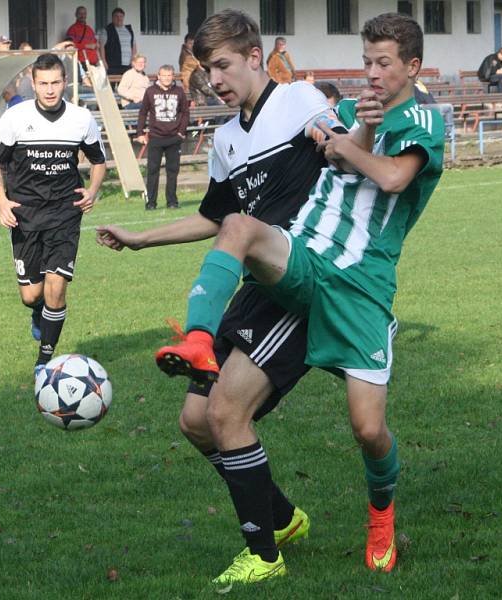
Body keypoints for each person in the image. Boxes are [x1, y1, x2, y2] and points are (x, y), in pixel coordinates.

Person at [153, 10, 443, 584]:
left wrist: (341, 141)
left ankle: (381, 515)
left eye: (384, 63)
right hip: (308, 258)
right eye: (366, 62)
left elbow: (389, 178)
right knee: (237, 226)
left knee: (368, 430)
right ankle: (197, 340)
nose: (373, 73)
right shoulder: (347, 110)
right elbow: (337, 150)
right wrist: (346, 133)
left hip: (363, 283)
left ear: (411, 66)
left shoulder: (427, 119)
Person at [96, 9, 370, 587]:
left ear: (253, 58)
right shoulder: (225, 138)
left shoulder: (298, 100)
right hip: (256, 283)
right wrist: (141, 237)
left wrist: (334, 133)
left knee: (226, 412)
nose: (215, 79)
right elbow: (214, 218)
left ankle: (263, 556)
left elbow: (338, 128)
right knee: (197, 421)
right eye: (207, 69)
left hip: (303, 280)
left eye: (224, 65)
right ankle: (282, 517)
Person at [0, 53, 107, 377]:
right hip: (25, 215)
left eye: (55, 82)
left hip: (65, 214)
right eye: (43, 83)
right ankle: (37, 311)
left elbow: (99, 161)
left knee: (56, 286)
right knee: (31, 295)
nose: (50, 90)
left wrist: (92, 191)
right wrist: (2, 201)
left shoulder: (81, 118)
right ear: (34, 83)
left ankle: (45, 359)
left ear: (64, 82)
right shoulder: (15, 117)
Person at [136, 64, 189, 210]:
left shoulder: (179, 91)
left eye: (169, 75)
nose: (166, 78)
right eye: (163, 75)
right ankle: (151, 203)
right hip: (155, 137)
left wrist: (181, 133)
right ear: (158, 76)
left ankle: (172, 201)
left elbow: (185, 112)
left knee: (172, 171)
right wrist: (140, 133)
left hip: (174, 137)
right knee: (152, 171)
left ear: (173, 76)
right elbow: (143, 112)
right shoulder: (150, 91)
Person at [99, 7, 137, 76]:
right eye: (116, 16)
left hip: (128, 65)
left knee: (127, 85)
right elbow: (101, 47)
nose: (119, 18)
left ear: (123, 17)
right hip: (112, 65)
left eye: (121, 16)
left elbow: (133, 46)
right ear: (112, 18)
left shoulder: (129, 30)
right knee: (113, 85)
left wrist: (133, 60)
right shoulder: (107, 30)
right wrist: (103, 61)